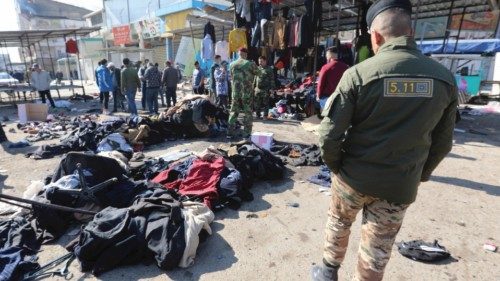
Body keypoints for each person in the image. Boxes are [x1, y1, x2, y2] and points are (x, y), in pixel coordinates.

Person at [311, 1, 458, 280]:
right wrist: (418, 175)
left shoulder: (357, 75)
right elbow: (443, 143)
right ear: (411, 32)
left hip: (353, 178)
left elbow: (329, 135)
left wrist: (338, 167)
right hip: (399, 183)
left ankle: (327, 272)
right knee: (378, 246)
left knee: (339, 222)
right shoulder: (444, 79)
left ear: (375, 37)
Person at [227, 47, 257, 139]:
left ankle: (229, 133)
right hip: (246, 93)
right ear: (245, 54)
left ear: (238, 53)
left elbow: (231, 78)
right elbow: (259, 73)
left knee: (233, 112)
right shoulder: (250, 64)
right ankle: (246, 134)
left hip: (235, 93)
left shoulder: (232, 64)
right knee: (248, 113)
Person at [316, 47, 349, 111]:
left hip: (328, 98)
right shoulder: (346, 67)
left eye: (326, 54)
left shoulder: (325, 67)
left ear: (329, 54)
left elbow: (320, 84)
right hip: (341, 97)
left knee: (317, 102)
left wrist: (318, 95)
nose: (325, 56)